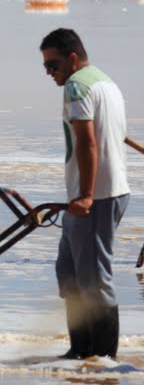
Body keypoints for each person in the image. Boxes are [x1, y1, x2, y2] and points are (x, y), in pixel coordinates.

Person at [40, 28, 129, 359]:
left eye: (53, 65)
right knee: (69, 273)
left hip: (97, 196)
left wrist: (87, 195)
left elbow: (89, 143)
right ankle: (79, 350)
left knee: (94, 281)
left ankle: (102, 359)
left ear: (73, 58)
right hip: (98, 193)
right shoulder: (105, 82)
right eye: (46, 67)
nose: (50, 73)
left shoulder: (78, 86)